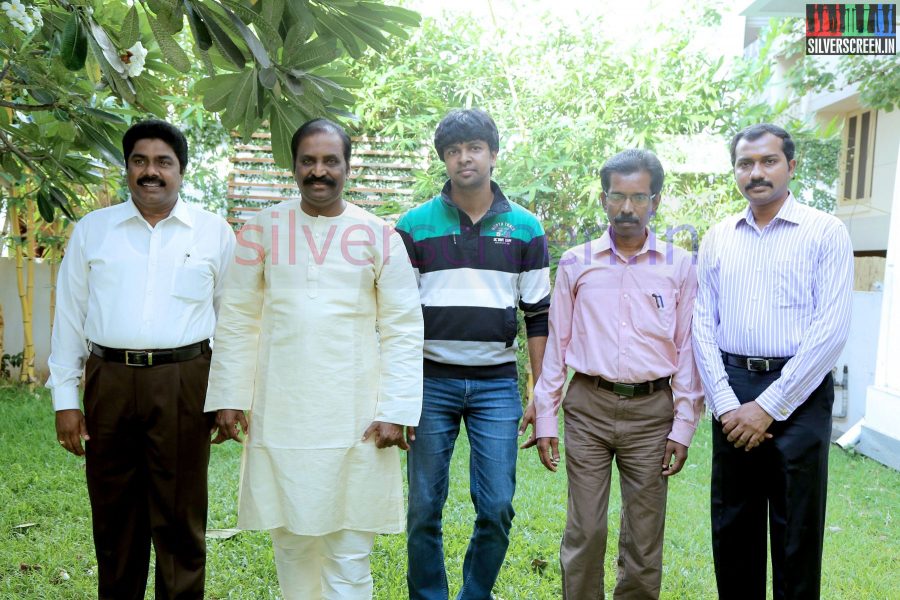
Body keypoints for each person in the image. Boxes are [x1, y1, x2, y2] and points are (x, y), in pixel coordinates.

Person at [204, 118, 423, 600]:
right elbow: (238, 318)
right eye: (309, 160)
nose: (318, 171)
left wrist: (397, 410)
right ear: (294, 165)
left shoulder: (379, 235)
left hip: (356, 416)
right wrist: (230, 397)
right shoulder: (260, 230)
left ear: (348, 166)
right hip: (281, 412)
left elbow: (405, 326)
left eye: (330, 161)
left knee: (348, 552)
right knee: (293, 546)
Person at [47, 119, 235, 599]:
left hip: (184, 380)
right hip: (108, 380)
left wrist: (231, 396)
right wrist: (66, 401)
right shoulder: (94, 231)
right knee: (115, 521)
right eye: (140, 161)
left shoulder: (213, 233)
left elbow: (232, 323)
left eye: (163, 163)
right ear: (127, 168)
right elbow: (69, 318)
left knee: (180, 521)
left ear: (182, 171)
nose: (151, 172)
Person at [524, 149, 703, 599]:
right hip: (589, 408)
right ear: (603, 199)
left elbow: (687, 353)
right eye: (617, 196)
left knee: (644, 539)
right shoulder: (575, 262)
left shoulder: (680, 266)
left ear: (655, 201)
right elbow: (557, 348)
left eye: (638, 197)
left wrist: (683, 426)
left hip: (652, 414)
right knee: (585, 531)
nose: (627, 208)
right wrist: (546, 417)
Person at [692, 124, 853, 599]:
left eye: (768, 161)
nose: (756, 173)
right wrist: (725, 402)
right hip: (733, 386)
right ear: (735, 170)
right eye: (746, 163)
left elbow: (831, 329)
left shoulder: (826, 232)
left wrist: (769, 406)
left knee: (796, 533)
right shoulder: (719, 236)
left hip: (799, 393)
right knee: (733, 525)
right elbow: (703, 322)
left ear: (791, 166)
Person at [396, 108, 551, 599]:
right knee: (423, 506)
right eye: (454, 150)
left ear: (493, 154)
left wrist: (539, 391)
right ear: (444, 159)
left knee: (498, 504)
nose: (464, 158)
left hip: (496, 386)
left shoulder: (525, 228)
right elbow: (396, 315)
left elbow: (538, 315)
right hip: (429, 383)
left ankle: (475, 594)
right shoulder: (413, 226)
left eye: (474, 148)